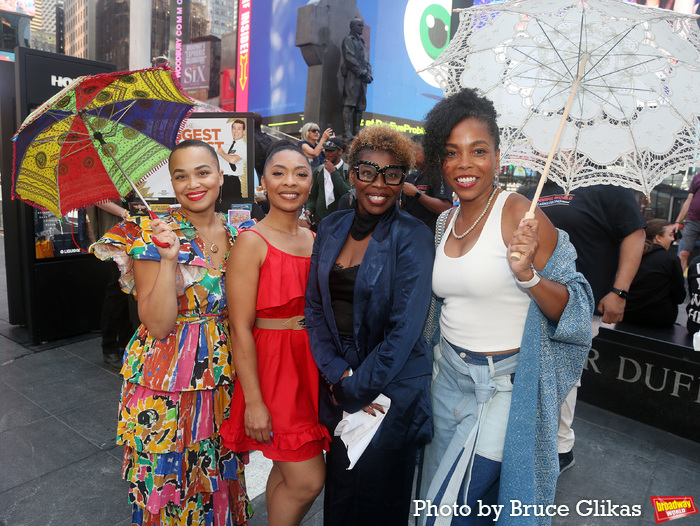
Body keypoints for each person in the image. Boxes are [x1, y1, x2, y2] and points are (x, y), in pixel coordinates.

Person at [419, 89, 593, 525]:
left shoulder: (520, 214)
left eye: (478, 151)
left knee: (452, 510)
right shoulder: (444, 221)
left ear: (497, 156)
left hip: (501, 388)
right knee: (437, 494)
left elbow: (576, 307)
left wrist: (529, 277)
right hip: (447, 379)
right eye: (452, 152)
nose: (465, 164)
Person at [91, 139, 251, 525]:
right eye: (181, 176)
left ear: (219, 175)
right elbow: (158, 324)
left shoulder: (241, 232)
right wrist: (167, 261)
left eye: (202, 172)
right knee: (169, 483)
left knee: (217, 477)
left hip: (221, 379)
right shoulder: (153, 234)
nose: (193, 183)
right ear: (172, 183)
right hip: (165, 381)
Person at [305, 125, 434, 526]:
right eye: (367, 171)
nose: (379, 183)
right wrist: (338, 373)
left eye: (392, 174)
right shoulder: (330, 227)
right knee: (341, 500)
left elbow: (405, 330)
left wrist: (355, 388)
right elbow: (314, 310)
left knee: (379, 505)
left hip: (391, 393)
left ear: (402, 180)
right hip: (342, 382)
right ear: (353, 173)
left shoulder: (413, 235)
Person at [219, 141, 330, 526]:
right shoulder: (251, 241)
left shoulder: (313, 239)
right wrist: (254, 402)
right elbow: (240, 327)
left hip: (308, 361)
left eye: (301, 173)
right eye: (278, 172)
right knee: (308, 480)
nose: (290, 182)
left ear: (311, 184)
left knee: (287, 471)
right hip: (274, 366)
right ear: (263, 183)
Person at [528, 180, 645, 474]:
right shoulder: (538, 187)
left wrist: (620, 291)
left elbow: (635, 234)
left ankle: (560, 448)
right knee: (533, 370)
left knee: (564, 373)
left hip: (581, 300)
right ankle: (531, 440)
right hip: (532, 294)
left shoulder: (610, 188)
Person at [89, 201, 140, 370]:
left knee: (125, 291)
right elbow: (98, 199)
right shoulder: (97, 175)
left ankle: (125, 344)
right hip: (114, 237)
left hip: (128, 233)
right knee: (116, 292)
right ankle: (109, 347)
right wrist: (126, 213)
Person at [624, 219, 685, 327]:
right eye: (670, 235)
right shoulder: (671, 260)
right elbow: (680, 297)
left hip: (628, 315)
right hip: (659, 320)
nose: (673, 239)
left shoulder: (631, 255)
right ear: (658, 237)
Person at [400, 134, 453, 233]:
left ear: (427, 152)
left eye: (414, 154)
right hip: (407, 234)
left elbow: (445, 208)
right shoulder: (411, 177)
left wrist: (417, 193)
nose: (411, 158)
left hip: (429, 236)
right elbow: (403, 208)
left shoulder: (440, 174)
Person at [305, 137, 351, 230]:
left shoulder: (348, 170)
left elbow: (348, 195)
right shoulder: (318, 171)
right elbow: (312, 196)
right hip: (319, 223)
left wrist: (334, 173)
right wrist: (309, 209)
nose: (327, 153)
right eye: (326, 150)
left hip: (340, 224)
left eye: (331, 150)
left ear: (340, 151)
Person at [341, 18, 373, 141]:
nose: (361, 27)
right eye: (359, 25)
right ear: (353, 27)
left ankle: (356, 131)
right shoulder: (348, 40)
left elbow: (365, 59)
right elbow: (349, 58)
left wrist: (368, 73)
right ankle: (346, 132)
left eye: (362, 25)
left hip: (363, 77)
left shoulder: (362, 41)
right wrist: (360, 71)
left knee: (360, 104)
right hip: (352, 75)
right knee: (349, 103)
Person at [217, 118, 247, 206]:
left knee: (233, 206)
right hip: (221, 179)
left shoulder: (243, 146)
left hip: (232, 181)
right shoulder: (227, 145)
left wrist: (221, 152)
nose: (236, 131)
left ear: (244, 131)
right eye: (234, 128)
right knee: (220, 206)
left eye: (239, 128)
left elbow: (233, 160)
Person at [673, 172, 700, 271]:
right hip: (692, 221)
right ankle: (679, 284)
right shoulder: (697, 177)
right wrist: (678, 221)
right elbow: (688, 200)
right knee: (683, 253)